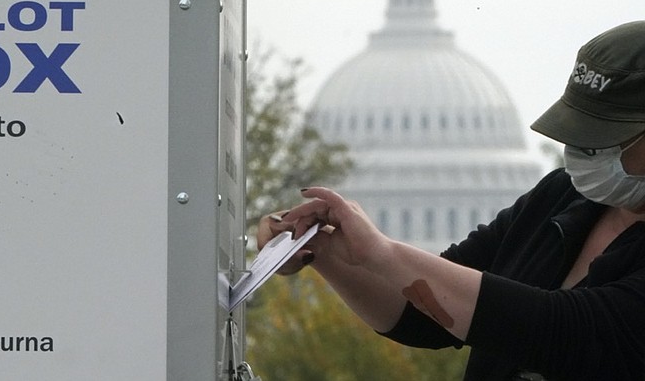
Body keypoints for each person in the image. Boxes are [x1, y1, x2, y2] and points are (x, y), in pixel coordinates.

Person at [257, 20, 645, 380]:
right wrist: (322, 247)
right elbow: (429, 312)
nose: (581, 149)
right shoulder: (563, 196)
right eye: (577, 131)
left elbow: (567, 332)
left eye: (603, 135)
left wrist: (384, 253)